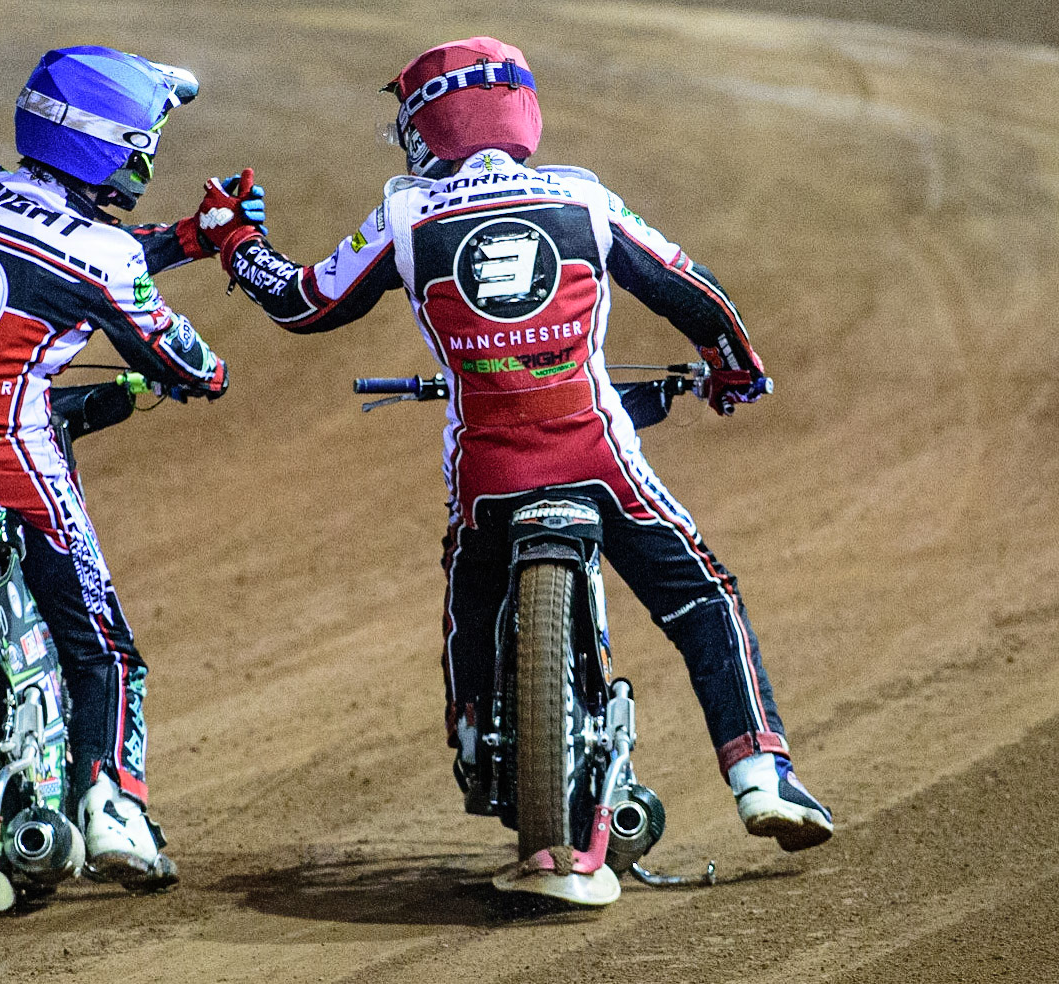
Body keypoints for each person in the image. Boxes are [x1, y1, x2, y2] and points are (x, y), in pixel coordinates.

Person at [216, 37, 833, 870]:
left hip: (489, 469)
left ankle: (473, 735)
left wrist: (234, 241)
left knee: (470, 588)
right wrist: (735, 367)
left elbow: (304, 305)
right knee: (702, 598)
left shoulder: (404, 213)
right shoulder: (581, 197)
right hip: (597, 453)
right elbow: (694, 292)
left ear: (428, 126)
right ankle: (762, 775)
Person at [0, 45, 264, 891]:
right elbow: (186, 356)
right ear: (106, 143)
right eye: (141, 142)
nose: (146, 158)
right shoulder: (105, 256)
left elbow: (63, 255)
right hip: (12, 462)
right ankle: (113, 805)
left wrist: (192, 238)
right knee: (106, 650)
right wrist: (209, 360)